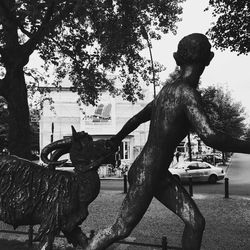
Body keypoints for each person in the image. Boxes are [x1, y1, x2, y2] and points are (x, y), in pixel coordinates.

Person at [85, 33, 250, 250]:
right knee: (121, 228)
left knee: (196, 222)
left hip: (156, 173)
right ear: (209, 58)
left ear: (176, 58)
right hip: (147, 174)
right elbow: (210, 136)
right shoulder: (187, 93)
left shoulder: (168, 91)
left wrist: (116, 139)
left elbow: (137, 118)